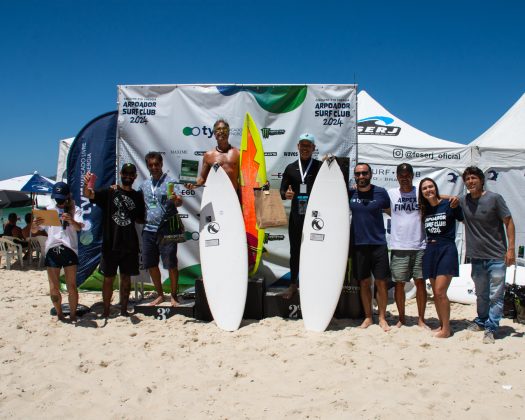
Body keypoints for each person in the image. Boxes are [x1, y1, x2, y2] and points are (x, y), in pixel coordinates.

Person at [460, 166, 515, 344]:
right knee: (481, 294)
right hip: (476, 257)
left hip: (496, 256)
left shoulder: (494, 199)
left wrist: (511, 249)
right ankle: (481, 321)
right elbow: (447, 199)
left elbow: (509, 222)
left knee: (495, 295)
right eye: (467, 179)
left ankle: (491, 328)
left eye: (474, 178)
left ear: (481, 180)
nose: (470, 181)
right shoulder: (464, 201)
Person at [83, 163, 146, 318]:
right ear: (121, 174)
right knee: (108, 278)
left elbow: (140, 219)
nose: (128, 176)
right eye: (126, 173)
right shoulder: (110, 192)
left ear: (135, 177)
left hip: (129, 244)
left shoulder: (138, 196)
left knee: (126, 278)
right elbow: (89, 195)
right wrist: (87, 183)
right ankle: (106, 310)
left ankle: (124, 309)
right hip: (110, 243)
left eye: (131, 174)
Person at [418, 177, 463, 338]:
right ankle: (443, 325)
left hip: (446, 249)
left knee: (440, 291)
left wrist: (449, 197)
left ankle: (446, 330)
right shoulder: (424, 209)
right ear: (421, 193)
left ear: (436, 188)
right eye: (424, 188)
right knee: (436, 294)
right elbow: (427, 198)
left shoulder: (450, 205)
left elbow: (465, 219)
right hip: (430, 250)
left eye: (431, 187)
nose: (428, 190)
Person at [32, 182, 84, 322]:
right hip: (52, 249)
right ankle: (60, 314)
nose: (59, 201)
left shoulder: (76, 209)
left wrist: (71, 220)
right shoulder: (49, 210)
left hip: (69, 249)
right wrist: (34, 226)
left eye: (62, 198)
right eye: (57, 198)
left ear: (68, 196)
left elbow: (79, 228)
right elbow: (35, 231)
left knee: (71, 285)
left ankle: (73, 315)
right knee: (53, 286)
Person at [279, 133, 322, 299]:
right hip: (297, 215)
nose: (305, 148)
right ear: (298, 147)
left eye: (308, 145)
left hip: (315, 218)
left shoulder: (320, 167)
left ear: (313, 148)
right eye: (302, 145)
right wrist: (286, 194)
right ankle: (293, 285)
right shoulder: (290, 168)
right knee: (295, 251)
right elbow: (282, 191)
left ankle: (313, 284)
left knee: (315, 250)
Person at [349, 163, 391, 331]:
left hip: (378, 244)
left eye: (364, 173)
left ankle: (381, 317)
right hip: (359, 245)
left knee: (381, 283)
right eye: (358, 174)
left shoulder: (381, 192)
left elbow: (393, 212)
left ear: (370, 174)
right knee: (364, 283)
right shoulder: (350, 192)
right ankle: (368, 317)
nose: (361, 177)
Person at [387, 163, 428, 328]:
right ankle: (401, 318)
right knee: (399, 284)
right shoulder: (390, 194)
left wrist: (452, 198)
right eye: (401, 175)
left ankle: (421, 319)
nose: (404, 178)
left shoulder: (420, 192)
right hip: (399, 246)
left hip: (420, 245)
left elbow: (438, 197)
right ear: (397, 177)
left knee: (420, 283)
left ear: (412, 176)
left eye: (407, 175)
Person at [140, 151, 184, 306]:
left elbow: (179, 202)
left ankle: (173, 296)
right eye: (150, 165)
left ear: (161, 164)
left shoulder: (171, 182)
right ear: (147, 166)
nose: (154, 167)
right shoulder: (144, 185)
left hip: (168, 229)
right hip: (149, 230)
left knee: (171, 264)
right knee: (151, 264)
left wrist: (177, 199)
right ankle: (159, 295)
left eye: (156, 164)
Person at [186, 118, 240, 190]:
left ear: (229, 132)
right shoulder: (208, 155)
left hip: (234, 197)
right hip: (215, 197)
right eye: (218, 129)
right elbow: (202, 178)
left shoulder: (238, 153)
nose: (221, 131)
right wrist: (192, 184)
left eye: (224, 129)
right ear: (214, 134)